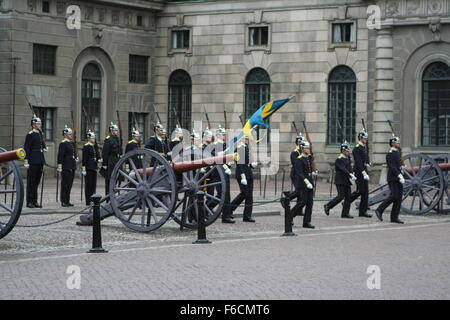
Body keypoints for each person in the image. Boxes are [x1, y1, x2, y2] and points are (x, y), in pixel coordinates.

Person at [375, 136, 405, 224]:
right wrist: (399, 174)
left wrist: (402, 167)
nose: (398, 144)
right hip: (393, 177)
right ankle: (379, 210)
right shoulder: (391, 153)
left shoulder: (397, 152)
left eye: (398, 142)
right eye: (397, 142)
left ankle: (394, 217)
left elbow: (398, 164)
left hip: (398, 177)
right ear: (392, 143)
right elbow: (392, 166)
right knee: (394, 196)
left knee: (399, 198)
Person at [324, 141, 357, 218]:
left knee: (348, 197)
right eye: (347, 150)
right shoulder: (339, 159)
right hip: (340, 181)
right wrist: (350, 174)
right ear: (342, 150)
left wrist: (352, 174)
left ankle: (345, 213)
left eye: (348, 150)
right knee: (340, 196)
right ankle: (328, 206)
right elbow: (343, 168)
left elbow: (349, 168)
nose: (348, 152)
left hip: (346, 181)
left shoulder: (347, 158)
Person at [230, 135, 257, 222]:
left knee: (249, 196)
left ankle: (247, 216)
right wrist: (243, 176)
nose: (248, 140)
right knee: (244, 193)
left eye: (248, 138)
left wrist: (251, 165)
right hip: (243, 175)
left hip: (248, 173)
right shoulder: (240, 148)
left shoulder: (246, 147)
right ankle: (229, 209)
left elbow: (246, 162)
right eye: (246, 138)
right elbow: (240, 164)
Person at [211, 125, 234, 223]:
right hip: (218, 173)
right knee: (221, 194)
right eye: (223, 134)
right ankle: (205, 208)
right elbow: (213, 160)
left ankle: (226, 215)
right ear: (218, 135)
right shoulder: (214, 145)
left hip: (225, 171)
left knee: (227, 195)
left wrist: (229, 162)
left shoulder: (225, 145)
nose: (224, 136)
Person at [23, 115, 47, 208]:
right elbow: (27, 148)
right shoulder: (30, 134)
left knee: (37, 182)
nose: (40, 125)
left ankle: (35, 201)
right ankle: (29, 201)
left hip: (40, 160)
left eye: (40, 123)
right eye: (38, 123)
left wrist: (44, 148)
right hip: (33, 160)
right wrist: (26, 160)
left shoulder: (40, 134)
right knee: (31, 182)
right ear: (33, 125)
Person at [293, 140, 315, 228]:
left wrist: (313, 172)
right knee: (303, 202)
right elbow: (299, 172)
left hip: (309, 182)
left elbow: (309, 169)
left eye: (308, 148)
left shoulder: (308, 158)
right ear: (302, 148)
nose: (308, 149)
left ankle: (306, 222)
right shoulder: (299, 159)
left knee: (310, 203)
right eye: (306, 148)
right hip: (303, 183)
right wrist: (306, 182)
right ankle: (291, 215)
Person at [350, 129, 372, 217]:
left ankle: (363, 211)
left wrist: (367, 162)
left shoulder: (363, 147)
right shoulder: (357, 148)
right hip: (359, 172)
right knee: (361, 190)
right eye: (364, 138)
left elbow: (364, 158)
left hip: (364, 170)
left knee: (365, 192)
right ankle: (348, 200)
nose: (365, 140)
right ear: (360, 138)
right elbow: (358, 162)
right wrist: (363, 173)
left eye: (366, 138)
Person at [57, 125, 77, 207]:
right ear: (65, 135)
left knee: (69, 184)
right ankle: (63, 201)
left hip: (71, 165)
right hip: (66, 165)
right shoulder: (63, 143)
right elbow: (60, 155)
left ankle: (67, 200)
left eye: (71, 134)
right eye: (69, 134)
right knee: (65, 184)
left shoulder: (71, 143)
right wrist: (60, 165)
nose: (71, 136)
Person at [287, 135, 305, 218]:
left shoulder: (302, 151)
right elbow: (296, 164)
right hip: (295, 174)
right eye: (301, 143)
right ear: (298, 143)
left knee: (301, 192)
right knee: (298, 191)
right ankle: (286, 199)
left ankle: (299, 210)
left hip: (301, 174)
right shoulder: (295, 152)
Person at [82, 129, 101, 205]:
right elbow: (84, 159)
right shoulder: (86, 146)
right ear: (89, 138)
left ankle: (93, 199)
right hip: (89, 168)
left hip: (94, 167)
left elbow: (96, 155)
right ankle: (88, 200)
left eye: (94, 138)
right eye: (92, 138)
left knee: (93, 185)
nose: (94, 139)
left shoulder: (94, 146)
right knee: (88, 185)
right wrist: (84, 169)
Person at [102, 122, 121, 195]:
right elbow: (105, 152)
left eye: (117, 130)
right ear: (112, 131)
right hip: (110, 161)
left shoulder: (117, 139)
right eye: (115, 130)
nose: (116, 132)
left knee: (115, 179)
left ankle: (113, 195)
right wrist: (104, 164)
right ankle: (108, 196)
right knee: (109, 180)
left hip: (116, 160)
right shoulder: (108, 139)